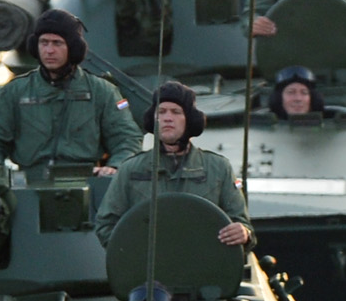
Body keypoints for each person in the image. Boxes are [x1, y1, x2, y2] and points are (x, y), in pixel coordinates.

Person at [95, 83, 254, 248]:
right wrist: (133, 248)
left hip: (203, 265)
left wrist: (243, 233)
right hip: (147, 268)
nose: (167, 118)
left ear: (190, 119)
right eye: (161, 112)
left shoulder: (218, 168)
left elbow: (242, 224)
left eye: (176, 112)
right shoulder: (131, 169)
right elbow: (106, 224)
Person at [0, 12, 137, 173]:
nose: (49, 50)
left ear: (74, 48)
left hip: (87, 179)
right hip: (30, 182)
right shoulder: (15, 91)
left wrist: (115, 167)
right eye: (44, 42)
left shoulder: (103, 91)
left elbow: (127, 138)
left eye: (57, 43)